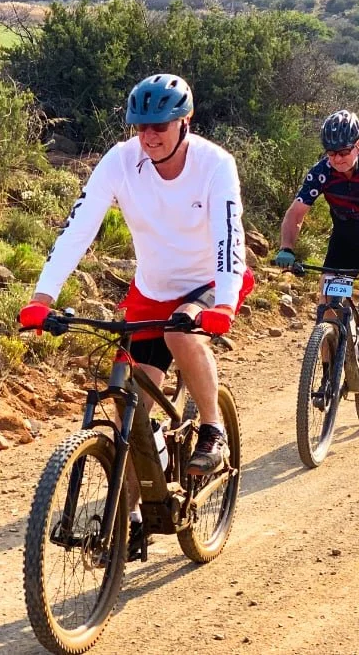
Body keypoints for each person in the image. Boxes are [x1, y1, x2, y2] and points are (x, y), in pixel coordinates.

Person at [19, 73, 251, 561]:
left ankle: (212, 428)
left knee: (181, 333)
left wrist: (225, 303)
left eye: (159, 127)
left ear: (184, 122)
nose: (148, 137)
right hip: (151, 290)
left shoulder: (215, 165)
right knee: (129, 406)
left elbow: (230, 239)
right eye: (140, 127)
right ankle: (133, 519)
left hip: (210, 282)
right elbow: (79, 226)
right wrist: (43, 295)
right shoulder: (122, 161)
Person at [275, 110, 359, 381]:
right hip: (345, 238)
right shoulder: (322, 172)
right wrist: (286, 248)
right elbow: (295, 214)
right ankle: (328, 374)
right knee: (327, 305)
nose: (337, 158)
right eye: (331, 152)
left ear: (358, 146)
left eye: (343, 151)